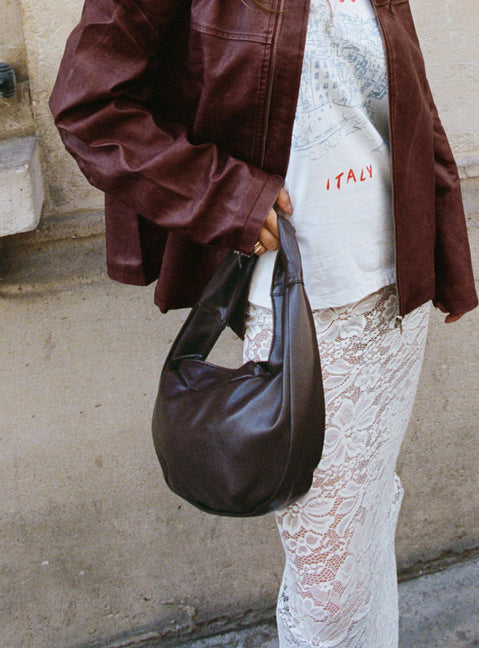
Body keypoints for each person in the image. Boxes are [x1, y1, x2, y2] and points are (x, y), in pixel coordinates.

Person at [50, 0, 477, 645]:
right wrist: (227, 197)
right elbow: (90, 108)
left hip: (391, 282)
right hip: (298, 302)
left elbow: (406, 99)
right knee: (328, 590)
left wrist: (444, 245)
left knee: (366, 523)